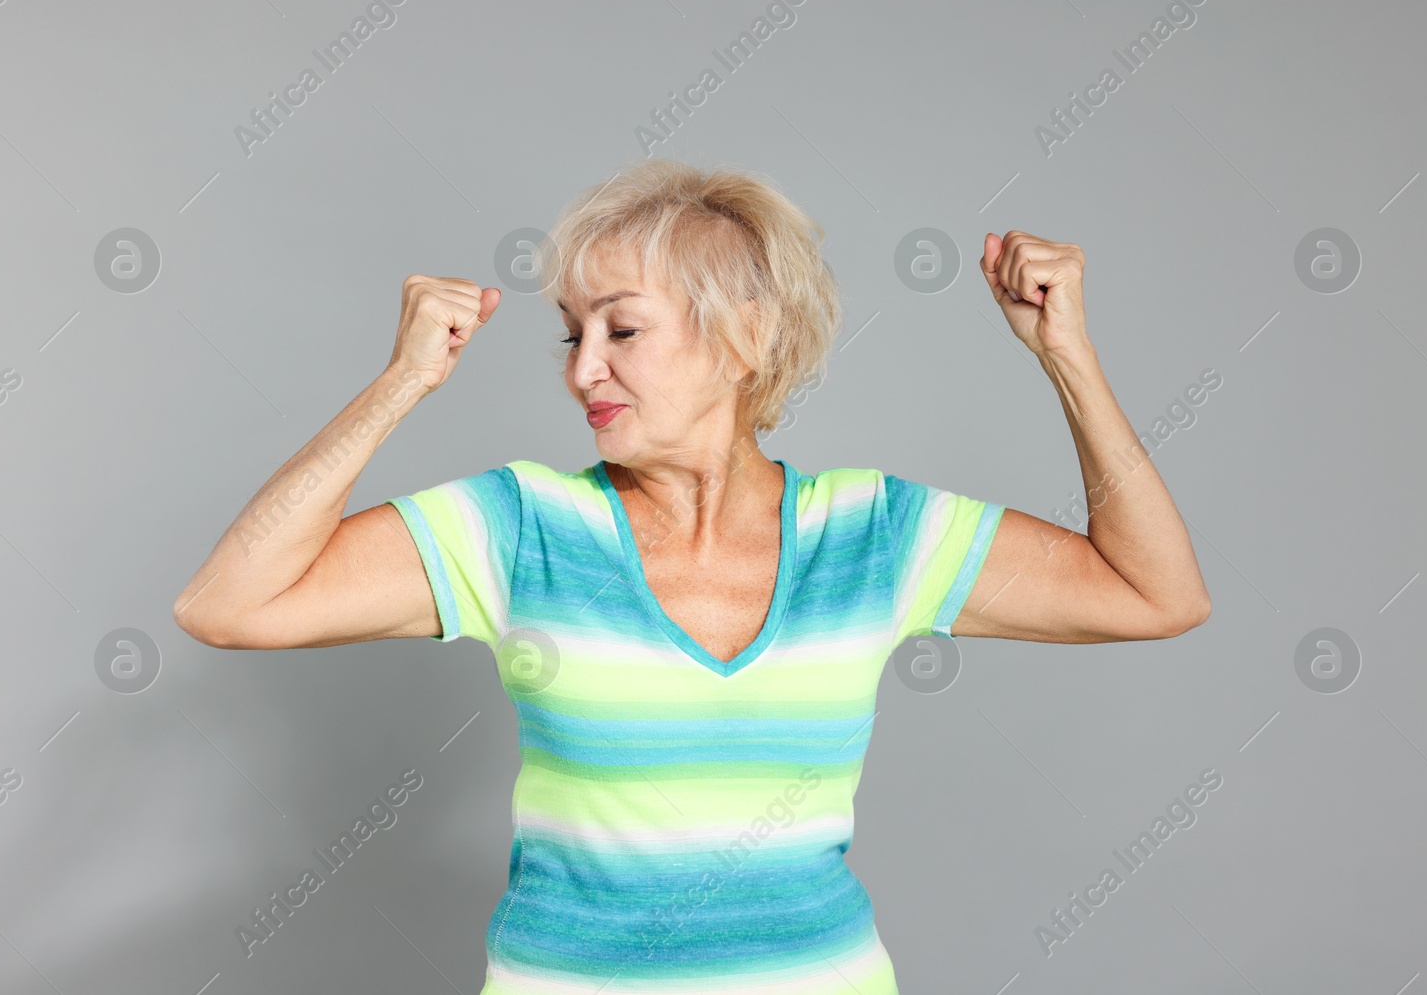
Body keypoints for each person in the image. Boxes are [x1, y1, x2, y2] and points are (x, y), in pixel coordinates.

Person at [173, 159, 1210, 994]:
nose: (582, 368)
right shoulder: (521, 524)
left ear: (746, 336)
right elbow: (226, 603)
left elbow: (1153, 591)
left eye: (622, 329)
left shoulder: (873, 532)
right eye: (573, 335)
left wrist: (1063, 352)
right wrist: (402, 381)